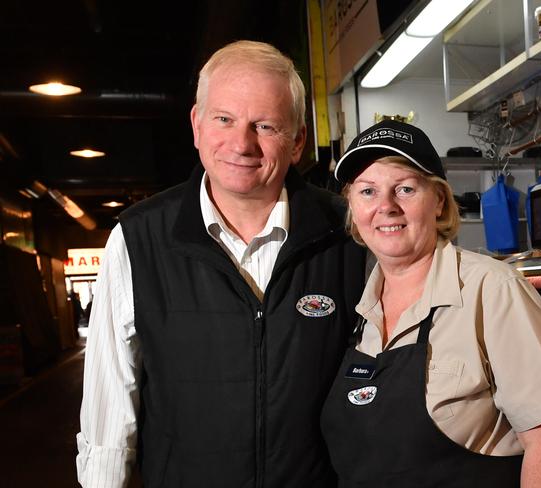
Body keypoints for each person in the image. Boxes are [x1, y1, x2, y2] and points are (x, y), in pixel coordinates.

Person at [76, 40, 366, 488]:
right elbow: (109, 407)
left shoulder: (348, 234)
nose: (242, 143)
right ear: (196, 124)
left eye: (265, 126)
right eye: (224, 119)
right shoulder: (138, 240)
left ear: (297, 142)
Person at [320, 119, 541, 487]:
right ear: (353, 207)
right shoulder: (356, 306)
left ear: (438, 201)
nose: (385, 207)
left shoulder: (492, 290)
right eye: (367, 191)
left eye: (404, 189)